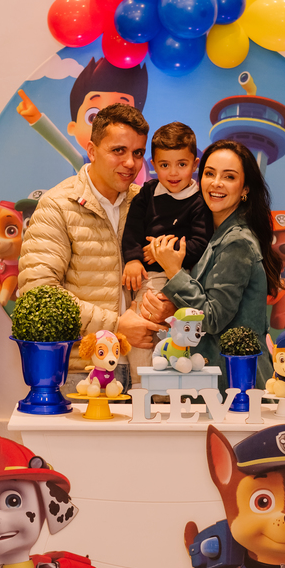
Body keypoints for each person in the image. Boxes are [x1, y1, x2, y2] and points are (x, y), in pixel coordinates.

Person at [18, 103, 172, 390]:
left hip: (151, 371)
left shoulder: (149, 202)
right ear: (91, 150)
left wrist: (170, 302)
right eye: (119, 151)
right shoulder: (57, 206)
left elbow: (181, 270)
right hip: (84, 372)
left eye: (138, 153)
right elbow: (39, 295)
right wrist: (116, 325)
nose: (131, 163)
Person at [142, 139, 284, 391]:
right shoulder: (216, 233)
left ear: (245, 188)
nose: (216, 183)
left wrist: (173, 270)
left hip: (236, 384)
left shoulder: (237, 241)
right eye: (209, 173)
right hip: (219, 381)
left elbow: (212, 318)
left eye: (229, 176)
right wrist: (173, 307)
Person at [120, 122, 212, 382]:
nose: (173, 173)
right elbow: (132, 229)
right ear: (152, 164)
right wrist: (134, 259)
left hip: (176, 278)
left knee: (154, 327)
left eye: (181, 164)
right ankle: (142, 385)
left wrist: (163, 251)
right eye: (164, 165)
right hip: (143, 275)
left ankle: (150, 387)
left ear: (195, 164)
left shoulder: (199, 201)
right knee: (141, 329)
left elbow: (199, 244)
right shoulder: (148, 193)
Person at [15, 58, 149, 173]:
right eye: (92, 117)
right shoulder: (87, 166)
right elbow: (63, 148)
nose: (108, 125)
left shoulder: (140, 165)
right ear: (73, 127)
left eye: (121, 118)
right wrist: (36, 119)